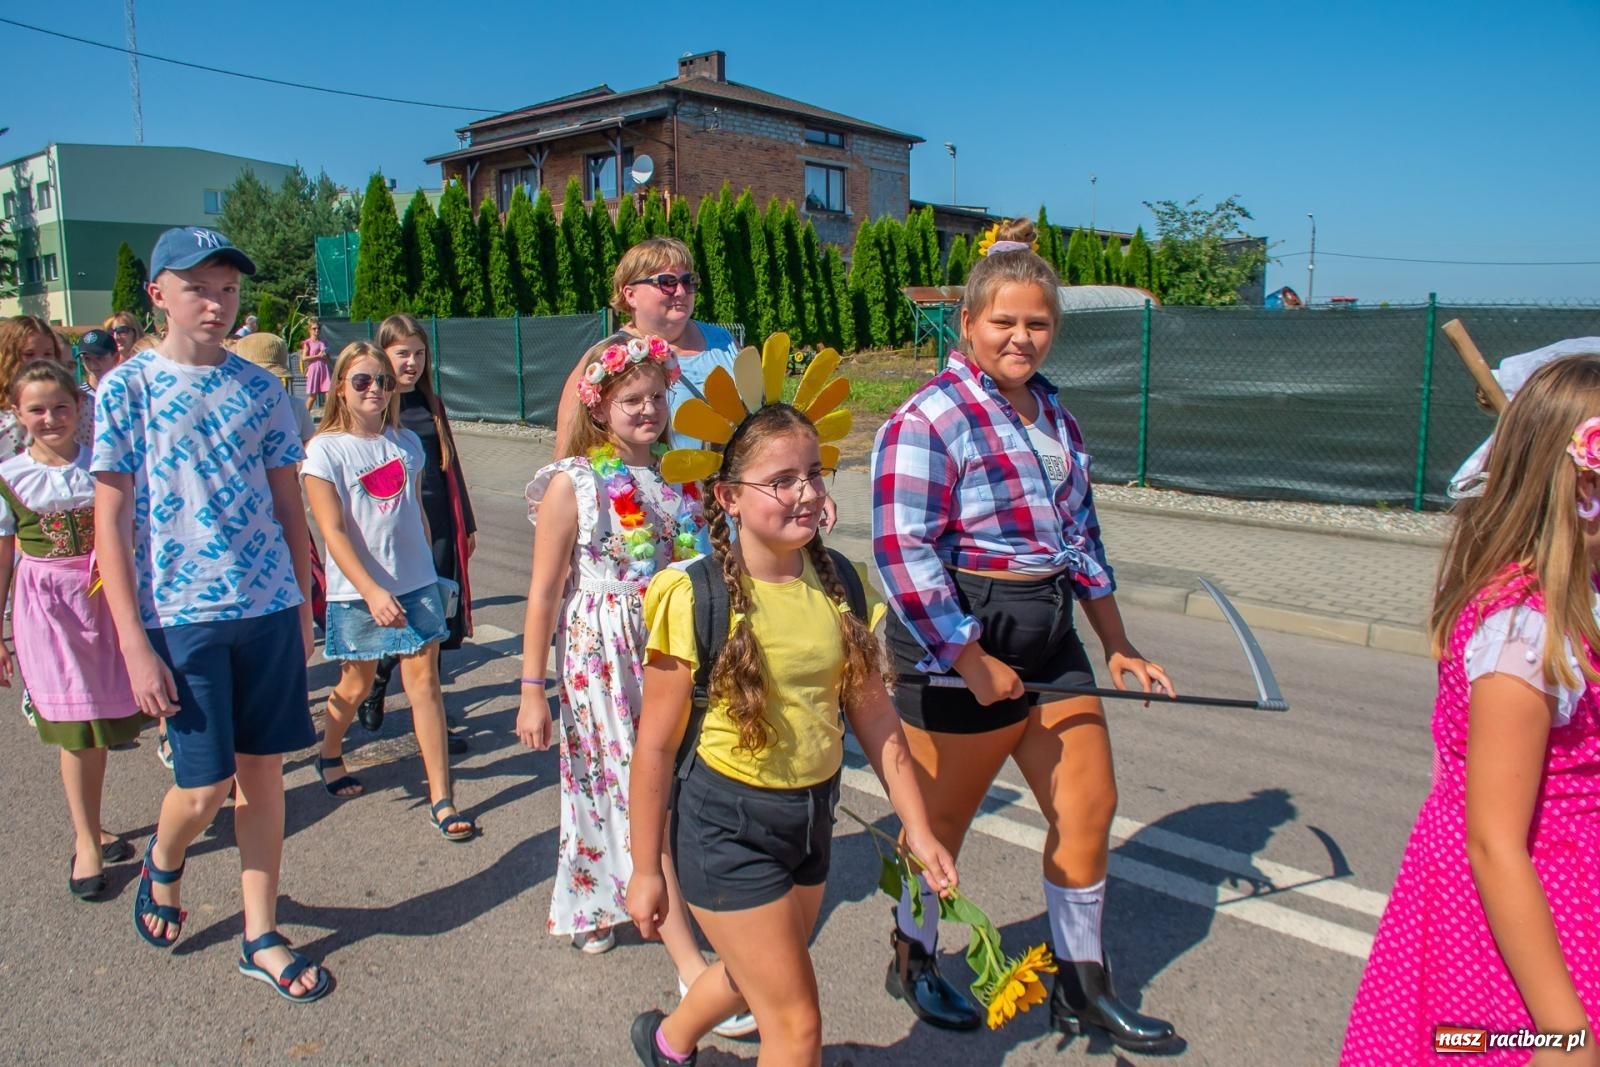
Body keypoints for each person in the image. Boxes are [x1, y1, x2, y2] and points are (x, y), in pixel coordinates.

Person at [871, 219, 1177, 1050]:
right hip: (958, 644)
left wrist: (1116, 641)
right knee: (940, 825)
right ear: (968, 322)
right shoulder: (929, 417)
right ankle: (914, 955)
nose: (1021, 336)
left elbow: (1083, 539)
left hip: (1051, 639)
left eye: (1037, 322)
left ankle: (1082, 985)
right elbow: (902, 552)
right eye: (1003, 320)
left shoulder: (1054, 416)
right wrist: (969, 659)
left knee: (1089, 805)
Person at [626, 396, 958, 1066]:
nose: (805, 493)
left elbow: (875, 715)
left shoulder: (840, 584)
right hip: (725, 826)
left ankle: (668, 1043)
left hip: (810, 818)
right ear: (730, 497)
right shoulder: (693, 595)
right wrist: (644, 869)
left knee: (755, 972)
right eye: (781, 480)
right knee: (797, 1024)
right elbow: (655, 747)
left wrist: (918, 828)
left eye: (812, 474)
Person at [93, 226, 329, 1002]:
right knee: (203, 787)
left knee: (264, 775)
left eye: (227, 288)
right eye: (197, 287)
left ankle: (260, 933)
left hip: (267, 607)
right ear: (157, 293)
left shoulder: (263, 389)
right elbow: (110, 519)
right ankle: (164, 859)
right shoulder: (126, 389)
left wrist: (302, 603)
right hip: (180, 614)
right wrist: (133, 641)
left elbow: (288, 503)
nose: (216, 303)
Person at [1343, 354, 1600, 1066]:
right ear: (1585, 486)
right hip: (1532, 907)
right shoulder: (1523, 635)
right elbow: (1493, 841)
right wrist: (1564, 1033)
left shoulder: (1580, 597)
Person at [517, 335, 723, 976]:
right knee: (615, 778)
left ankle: (610, 897)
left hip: (667, 641)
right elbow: (544, 591)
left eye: (657, 396)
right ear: (599, 406)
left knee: (659, 775)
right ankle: (679, 957)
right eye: (632, 399)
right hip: (599, 651)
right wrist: (531, 688)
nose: (648, 409)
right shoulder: (574, 483)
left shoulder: (680, 476)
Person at [301, 340, 476, 842]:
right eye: (362, 380)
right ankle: (329, 751)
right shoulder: (324, 450)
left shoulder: (406, 443)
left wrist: (433, 573)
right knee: (355, 686)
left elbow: (416, 514)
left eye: (381, 380)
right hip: (359, 592)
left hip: (416, 585)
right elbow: (332, 532)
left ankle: (442, 798)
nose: (375, 389)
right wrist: (373, 591)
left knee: (425, 686)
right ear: (340, 388)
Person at [0, 361, 143, 899]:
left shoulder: (103, 467)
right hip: (48, 607)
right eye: (36, 409)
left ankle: (188, 804)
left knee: (111, 717)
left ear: (79, 408)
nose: (50, 418)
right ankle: (86, 838)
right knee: (76, 724)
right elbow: (3, 556)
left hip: (107, 596)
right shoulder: (10, 477)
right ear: (18, 414)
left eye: (61, 406)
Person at [354, 315, 476, 754]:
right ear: (382, 354)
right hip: (396, 531)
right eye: (402, 353)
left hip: (438, 525)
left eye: (419, 354)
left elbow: (450, 466)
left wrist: (467, 525)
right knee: (399, 618)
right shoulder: (373, 407)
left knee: (433, 624)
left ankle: (433, 722)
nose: (412, 363)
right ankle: (376, 681)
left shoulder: (431, 404)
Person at [554, 238, 740, 456]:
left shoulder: (723, 341)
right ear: (630, 295)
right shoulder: (605, 360)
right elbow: (567, 453)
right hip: (657, 478)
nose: (681, 291)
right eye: (667, 282)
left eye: (688, 281)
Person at [0, 315, 61, 459]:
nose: (40, 361)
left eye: (47, 354)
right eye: (29, 354)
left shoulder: (74, 404)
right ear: (8, 358)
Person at [75, 328, 121, 395]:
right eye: (87, 358)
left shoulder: (126, 393)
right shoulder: (77, 397)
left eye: (99, 358)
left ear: (116, 358)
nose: (93, 365)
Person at [301, 317, 331, 414]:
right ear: (309, 330)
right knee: (312, 396)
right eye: (314, 328)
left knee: (328, 393)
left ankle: (328, 417)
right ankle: (304, 417)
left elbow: (327, 357)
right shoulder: (308, 343)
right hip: (313, 369)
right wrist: (318, 356)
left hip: (324, 368)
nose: (317, 330)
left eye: (318, 328)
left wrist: (327, 357)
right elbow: (304, 358)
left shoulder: (324, 342)